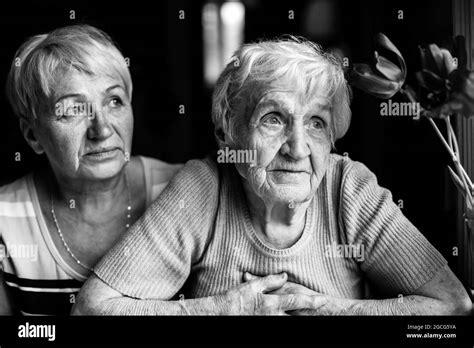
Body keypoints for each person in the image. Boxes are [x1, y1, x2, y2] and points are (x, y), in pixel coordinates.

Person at [73, 37, 472, 315]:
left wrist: (330, 311)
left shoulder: (350, 188)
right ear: (227, 134)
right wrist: (219, 310)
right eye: (273, 119)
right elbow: (93, 310)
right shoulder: (203, 187)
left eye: (316, 123)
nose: (297, 148)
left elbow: (451, 306)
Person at [0, 24, 182, 315]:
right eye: (72, 110)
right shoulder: (4, 220)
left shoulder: (184, 189)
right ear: (33, 136)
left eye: (114, 101)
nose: (102, 129)